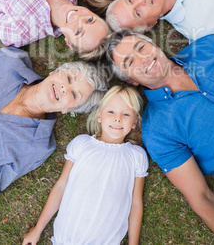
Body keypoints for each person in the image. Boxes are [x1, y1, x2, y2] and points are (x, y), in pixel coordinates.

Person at [106, 30, 214, 244]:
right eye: (130, 62)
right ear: (131, 80)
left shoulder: (209, 47)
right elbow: (201, 198)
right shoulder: (157, 130)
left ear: (155, 45)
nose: (144, 59)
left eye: (141, 47)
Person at [22, 85, 148, 245]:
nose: (118, 118)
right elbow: (61, 186)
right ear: (99, 116)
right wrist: (38, 229)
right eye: (111, 112)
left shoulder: (136, 156)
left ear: (135, 122)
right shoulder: (81, 144)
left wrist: (133, 242)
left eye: (126, 114)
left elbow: (136, 203)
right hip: (66, 237)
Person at [0, 46, 107, 195]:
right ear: (56, 71)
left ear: (69, 110)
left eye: (74, 95)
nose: (64, 88)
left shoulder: (37, 146)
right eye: (68, 78)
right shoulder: (10, 62)